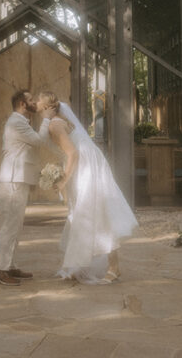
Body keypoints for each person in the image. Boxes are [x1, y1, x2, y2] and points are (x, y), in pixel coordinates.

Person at [36, 90, 138, 284]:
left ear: (48, 108)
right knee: (82, 214)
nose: (37, 107)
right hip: (87, 163)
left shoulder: (55, 125)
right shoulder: (59, 120)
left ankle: (114, 267)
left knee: (96, 213)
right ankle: (78, 264)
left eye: (39, 105)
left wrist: (64, 181)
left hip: (86, 166)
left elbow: (72, 153)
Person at [0, 88, 56, 286]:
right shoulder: (17, 121)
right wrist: (46, 119)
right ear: (22, 103)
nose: (33, 103)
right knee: (9, 226)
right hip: (12, 179)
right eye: (30, 99)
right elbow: (39, 141)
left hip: (18, 178)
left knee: (15, 225)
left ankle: (10, 265)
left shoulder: (20, 121)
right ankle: (0, 270)